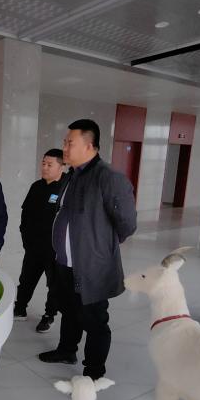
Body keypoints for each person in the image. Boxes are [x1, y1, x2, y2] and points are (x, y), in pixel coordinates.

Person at [38, 119, 137, 380]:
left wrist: (100, 245)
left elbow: (127, 223)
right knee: (69, 311)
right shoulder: (72, 176)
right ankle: (66, 350)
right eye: (64, 142)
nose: (65, 148)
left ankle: (93, 371)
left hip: (92, 266)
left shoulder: (109, 178)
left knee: (95, 320)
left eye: (70, 143)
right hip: (65, 263)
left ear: (89, 146)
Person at [13, 148, 65, 332]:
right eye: (43, 163)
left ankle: (49, 315)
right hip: (34, 247)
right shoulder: (36, 186)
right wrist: (25, 238)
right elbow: (25, 214)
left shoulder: (65, 189)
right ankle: (20, 308)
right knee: (26, 279)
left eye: (50, 164)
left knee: (54, 285)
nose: (45, 167)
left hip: (54, 250)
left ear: (61, 166)